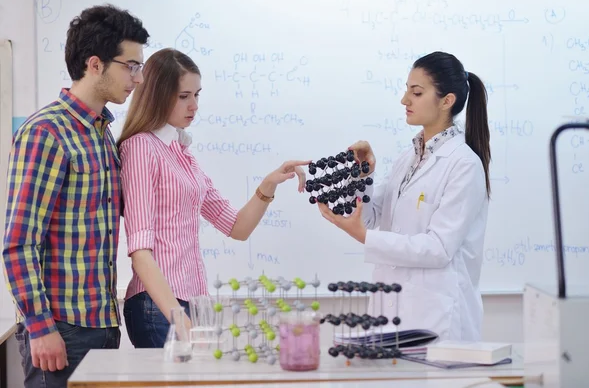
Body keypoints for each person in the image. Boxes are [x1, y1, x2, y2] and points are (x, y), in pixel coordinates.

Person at [117, 48, 308, 348]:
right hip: (158, 306)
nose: (194, 105)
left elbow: (237, 227)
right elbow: (140, 253)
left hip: (189, 303)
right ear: (156, 95)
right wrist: (181, 322)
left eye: (197, 95)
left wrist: (269, 184)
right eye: (183, 96)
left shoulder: (183, 156)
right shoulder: (141, 148)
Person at [1, 4, 149, 387]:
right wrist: (39, 327)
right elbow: (18, 243)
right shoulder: (46, 132)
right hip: (61, 329)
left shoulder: (101, 134)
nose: (138, 78)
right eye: (130, 66)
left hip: (102, 323)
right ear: (95, 64)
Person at [317, 51, 491, 341]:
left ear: (447, 101)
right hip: (393, 310)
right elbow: (373, 218)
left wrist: (364, 237)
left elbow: (438, 249)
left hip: (437, 317)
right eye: (406, 90)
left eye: (417, 92)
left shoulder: (464, 164)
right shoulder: (409, 157)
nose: (404, 100)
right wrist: (363, 175)